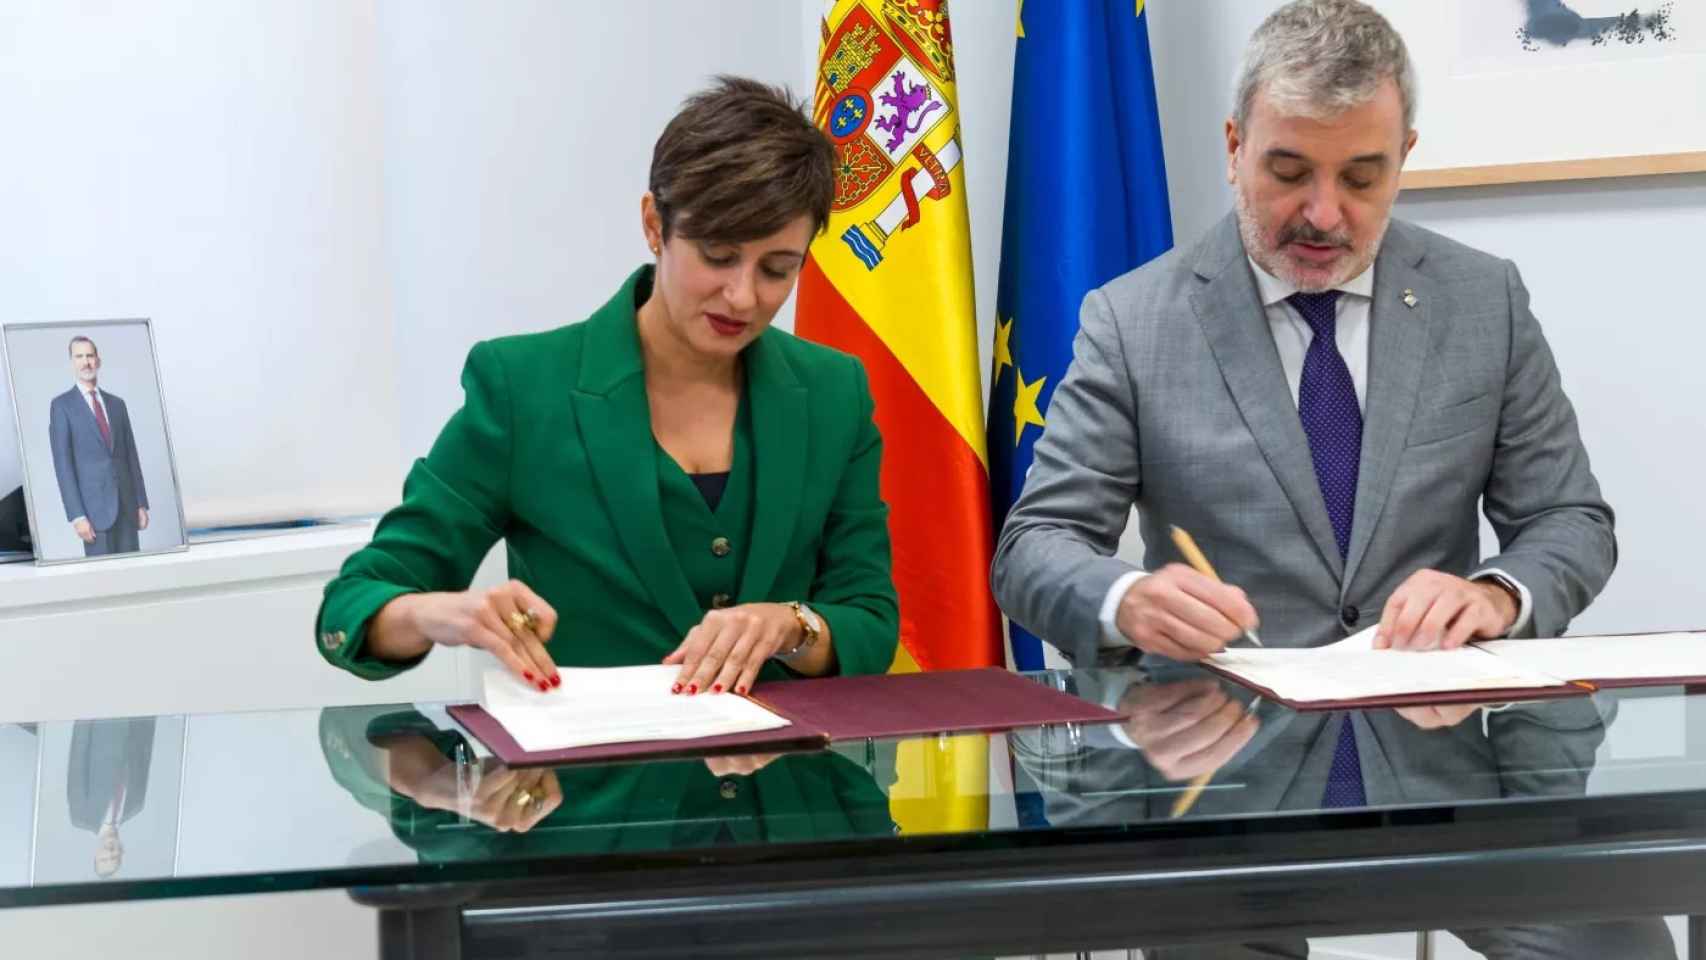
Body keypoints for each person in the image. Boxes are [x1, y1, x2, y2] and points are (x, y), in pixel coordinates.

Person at [992, 1, 1661, 955]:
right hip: (1218, 776)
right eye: (1289, 171)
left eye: (1362, 176)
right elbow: (1035, 548)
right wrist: (1127, 597)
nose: (1323, 214)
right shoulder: (1133, 320)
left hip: (1452, 766)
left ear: (1405, 157)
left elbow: (1569, 520)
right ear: (1234, 146)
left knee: (1616, 940)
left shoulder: (1485, 300)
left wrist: (1495, 593)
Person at [318, 76, 898, 697]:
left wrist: (793, 625)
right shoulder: (522, 388)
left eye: (778, 269)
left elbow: (870, 620)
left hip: (792, 781)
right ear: (655, 225)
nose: (744, 296)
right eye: (718, 255)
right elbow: (351, 606)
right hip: (591, 787)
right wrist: (439, 613)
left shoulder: (835, 390)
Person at [49, 337, 150, 557]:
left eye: (90, 356)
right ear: (72, 363)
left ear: (98, 361)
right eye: (79, 356)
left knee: (134, 578)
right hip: (94, 515)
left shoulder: (117, 404)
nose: (86, 362)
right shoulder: (62, 406)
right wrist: (77, 515)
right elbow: (63, 465)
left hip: (127, 507)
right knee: (105, 581)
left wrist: (140, 502)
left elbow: (131, 456)